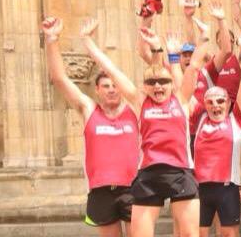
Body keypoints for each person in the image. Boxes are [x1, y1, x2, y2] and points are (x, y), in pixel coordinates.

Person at [84, 14, 209, 236]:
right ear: (145, 86)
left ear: (172, 84)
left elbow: (196, 65)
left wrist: (206, 35)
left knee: (191, 234)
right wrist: (88, 43)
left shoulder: (180, 100)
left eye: (163, 82)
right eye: (152, 82)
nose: (158, 86)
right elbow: (112, 70)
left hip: (179, 172)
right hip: (149, 174)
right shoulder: (140, 102)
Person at [43, 18, 140, 237]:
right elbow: (59, 79)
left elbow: (123, 81)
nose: (112, 90)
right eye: (106, 86)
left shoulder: (134, 108)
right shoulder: (89, 110)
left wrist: (90, 44)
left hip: (133, 187)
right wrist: (52, 40)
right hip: (100, 190)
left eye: (115, 85)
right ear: (97, 90)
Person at [191, 84, 241, 237]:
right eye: (210, 102)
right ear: (204, 105)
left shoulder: (237, 120)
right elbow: (181, 88)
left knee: (229, 234)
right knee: (199, 233)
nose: (215, 105)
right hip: (200, 187)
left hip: (227, 188)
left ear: (229, 103)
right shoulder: (200, 117)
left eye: (220, 101)